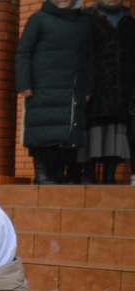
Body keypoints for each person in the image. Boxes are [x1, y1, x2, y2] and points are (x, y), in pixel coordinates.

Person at [16, 0, 94, 184]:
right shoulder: (38, 19)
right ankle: (42, 174)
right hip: (42, 86)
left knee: (66, 129)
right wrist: (24, 83)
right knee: (43, 127)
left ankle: (58, 174)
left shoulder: (83, 22)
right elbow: (23, 53)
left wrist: (88, 87)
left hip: (72, 87)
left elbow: (89, 57)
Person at [81, 0, 135, 184]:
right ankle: (88, 174)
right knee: (93, 130)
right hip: (95, 85)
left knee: (115, 130)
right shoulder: (87, 17)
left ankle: (109, 175)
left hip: (122, 86)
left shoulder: (130, 21)